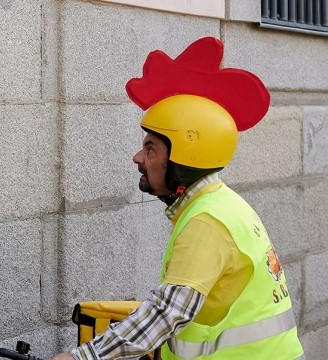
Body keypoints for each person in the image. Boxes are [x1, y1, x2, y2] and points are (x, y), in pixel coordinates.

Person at [52, 37, 304, 360]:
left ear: (184, 157)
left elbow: (166, 313)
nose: (137, 158)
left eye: (151, 149)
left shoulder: (207, 223)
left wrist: (82, 357)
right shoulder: (222, 203)